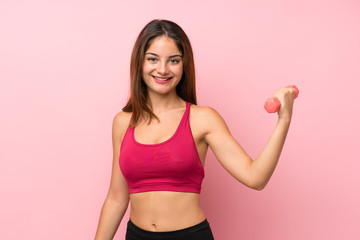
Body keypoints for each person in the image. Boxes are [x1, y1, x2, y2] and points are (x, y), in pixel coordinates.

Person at [94, 19, 296, 240]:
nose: (162, 69)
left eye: (173, 60)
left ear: (184, 64)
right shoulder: (123, 123)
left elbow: (255, 177)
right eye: (153, 59)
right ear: (139, 62)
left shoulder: (202, 119)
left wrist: (283, 120)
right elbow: (116, 198)